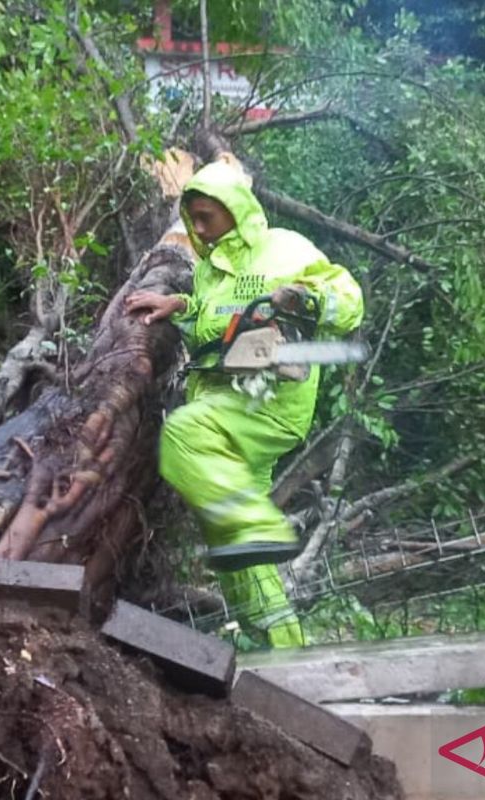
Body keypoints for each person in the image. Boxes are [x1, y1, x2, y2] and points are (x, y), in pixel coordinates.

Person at [125, 161, 364, 648]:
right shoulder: (212, 270)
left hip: (269, 405)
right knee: (233, 546)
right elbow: (221, 329)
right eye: (190, 218)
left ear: (236, 211)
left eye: (206, 217)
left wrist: (306, 300)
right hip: (224, 402)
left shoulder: (286, 249)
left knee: (183, 435)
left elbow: (349, 299)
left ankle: (261, 527)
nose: (196, 229)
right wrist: (183, 309)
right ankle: (283, 647)